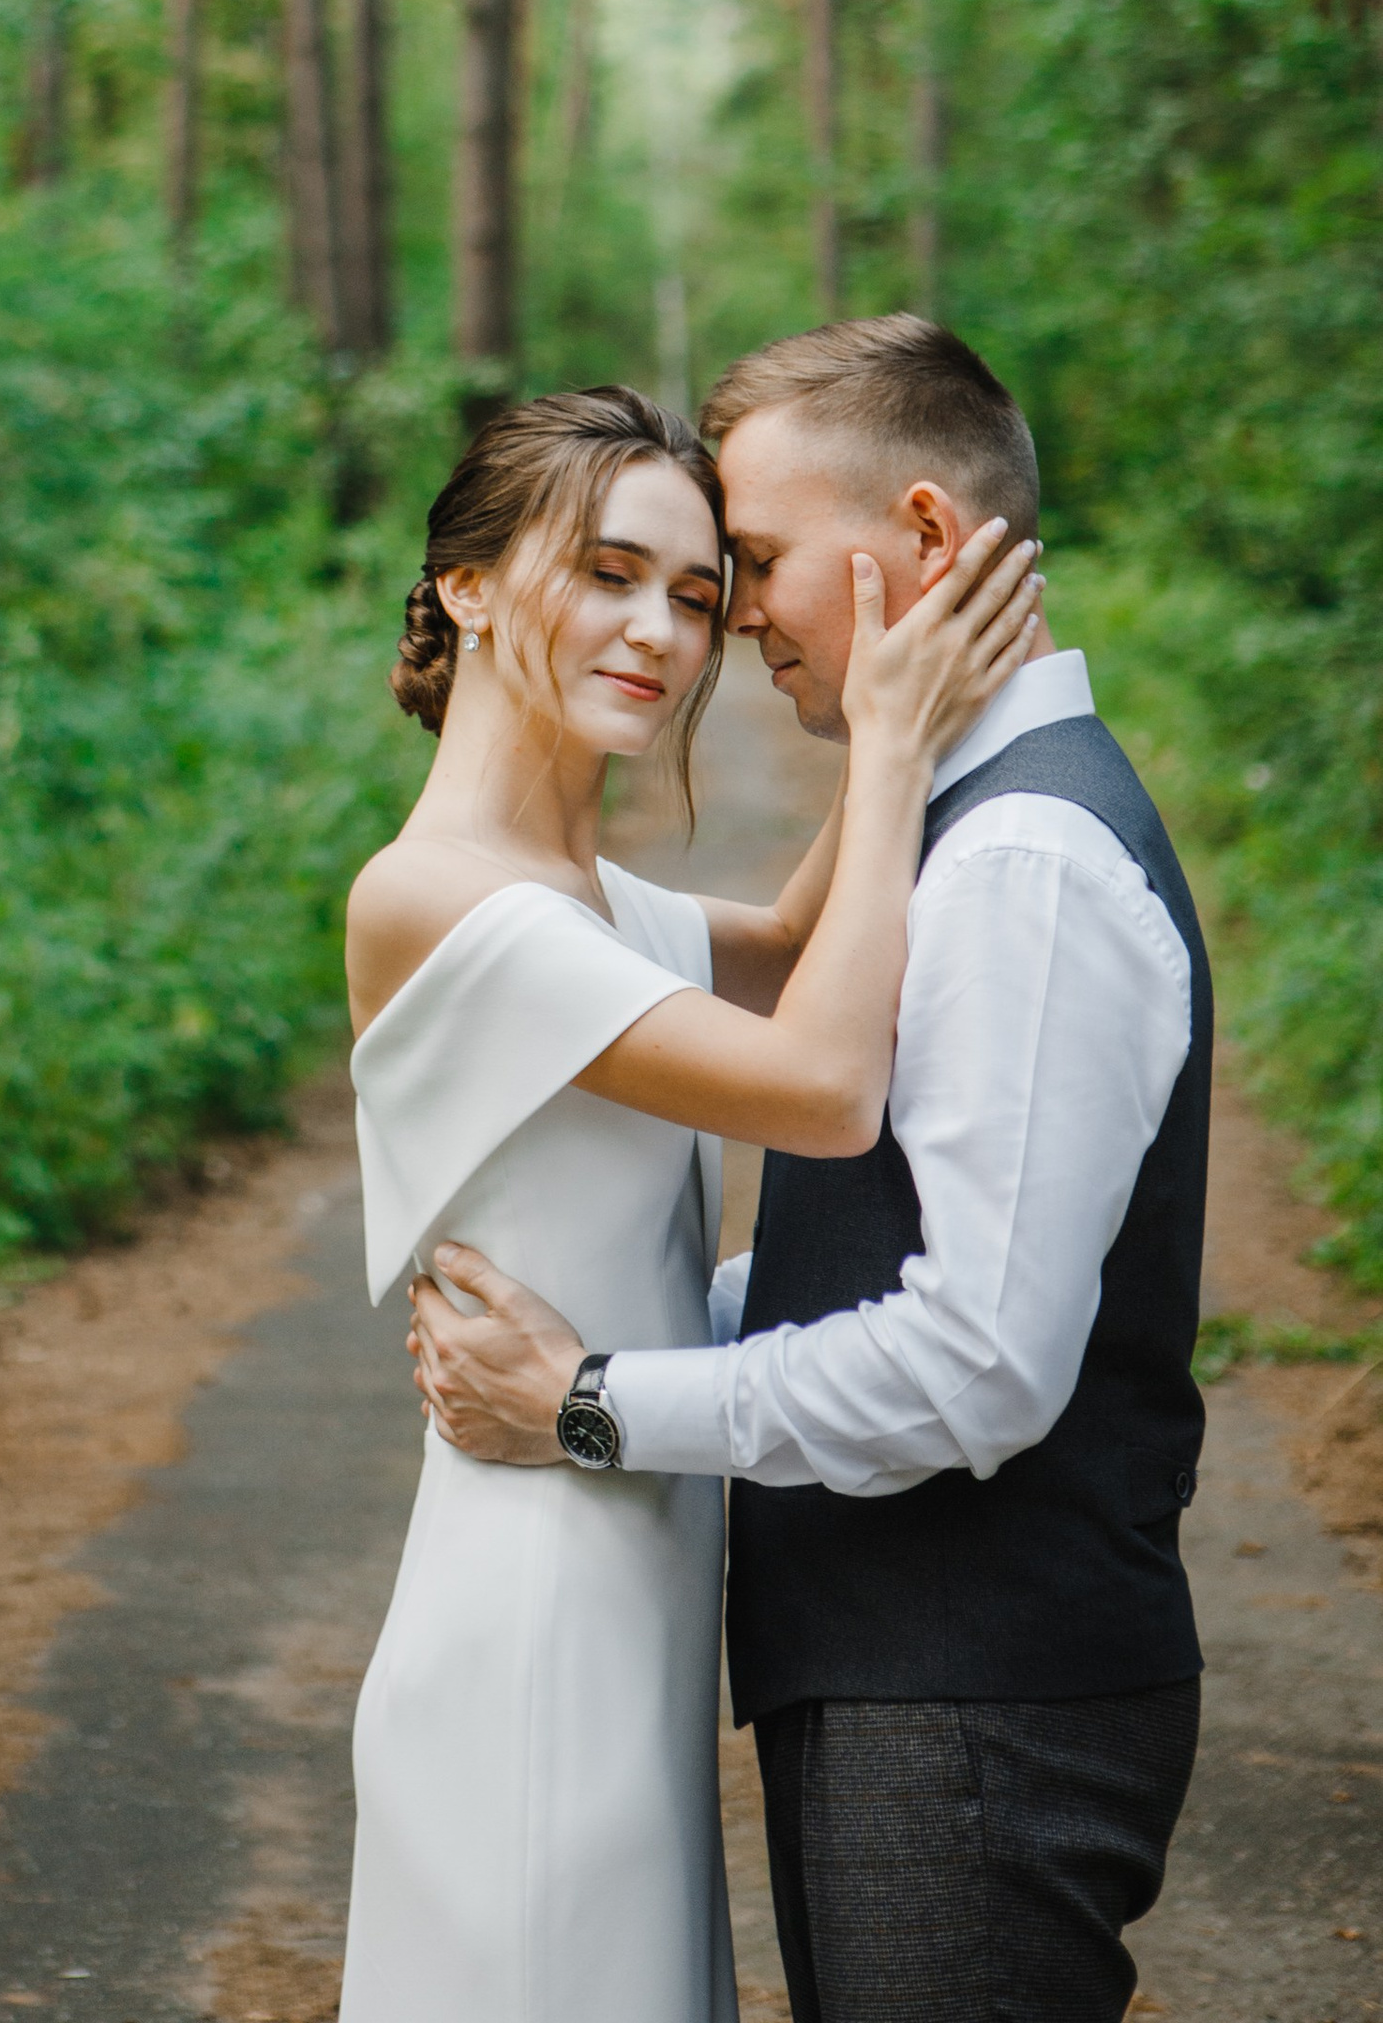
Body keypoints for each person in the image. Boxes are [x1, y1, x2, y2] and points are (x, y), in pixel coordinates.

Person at [412, 317, 1209, 2023]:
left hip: (974, 1700)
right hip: (908, 1678)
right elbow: (832, 1085)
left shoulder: (1024, 866)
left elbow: (977, 1361)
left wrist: (596, 1397)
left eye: (740, 568)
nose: (729, 620)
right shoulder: (973, 837)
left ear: (922, 538)